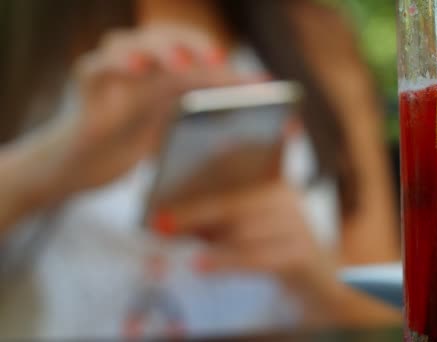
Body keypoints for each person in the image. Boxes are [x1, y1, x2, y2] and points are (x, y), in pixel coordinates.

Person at [0, 0, 401, 338]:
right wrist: (47, 167)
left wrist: (316, 275)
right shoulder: (20, 38)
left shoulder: (317, 37)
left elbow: (386, 312)